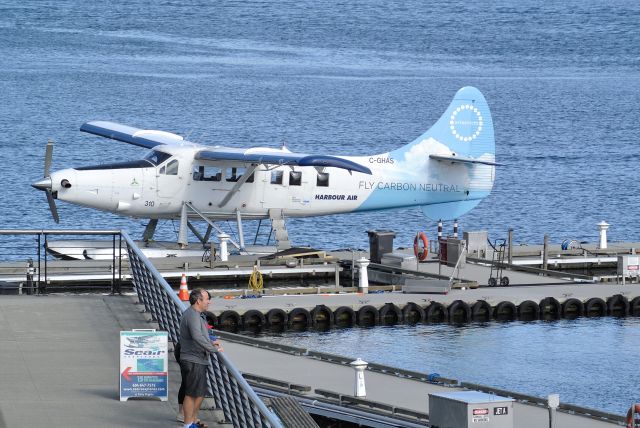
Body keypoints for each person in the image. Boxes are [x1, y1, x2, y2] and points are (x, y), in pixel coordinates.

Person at [178, 288, 223, 428]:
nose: (209, 302)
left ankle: (192, 421)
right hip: (193, 359)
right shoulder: (192, 315)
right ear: (198, 301)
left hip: (195, 358)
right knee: (192, 394)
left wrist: (210, 342)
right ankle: (188, 424)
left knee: (198, 392)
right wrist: (213, 349)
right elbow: (197, 336)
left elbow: (201, 334)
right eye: (207, 299)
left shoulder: (196, 314)